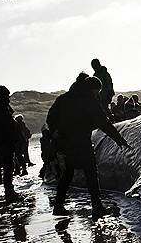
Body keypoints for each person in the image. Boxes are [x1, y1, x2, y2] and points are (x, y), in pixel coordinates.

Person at [46, 73, 129, 219]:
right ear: (92, 89)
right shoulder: (88, 100)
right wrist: (119, 139)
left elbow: (50, 117)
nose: (97, 94)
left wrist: (56, 131)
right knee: (91, 173)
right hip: (81, 141)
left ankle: (58, 206)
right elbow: (103, 122)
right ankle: (97, 207)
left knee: (68, 173)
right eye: (96, 91)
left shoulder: (64, 98)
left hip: (65, 143)